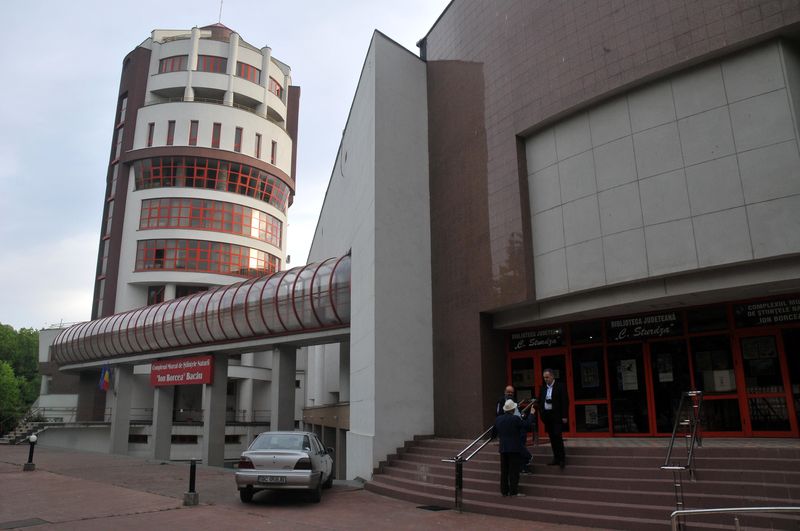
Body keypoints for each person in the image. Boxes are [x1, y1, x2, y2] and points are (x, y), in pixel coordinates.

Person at [492, 399, 534, 496]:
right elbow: (527, 425)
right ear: (512, 409)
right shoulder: (515, 419)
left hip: (503, 448)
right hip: (514, 448)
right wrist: (531, 414)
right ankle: (513, 491)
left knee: (504, 471)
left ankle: (504, 491)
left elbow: (493, 434)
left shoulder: (498, 419)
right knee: (514, 471)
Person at [495, 385, 534, 474]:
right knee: (518, 448)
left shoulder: (514, 400)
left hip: (519, 427)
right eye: (508, 392)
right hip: (510, 430)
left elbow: (518, 412)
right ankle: (526, 460)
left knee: (520, 447)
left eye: (511, 392)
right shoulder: (501, 401)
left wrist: (522, 415)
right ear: (505, 392)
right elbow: (498, 414)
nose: (510, 394)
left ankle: (523, 465)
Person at [538, 368, 568, 468]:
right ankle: (556, 458)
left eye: (547, 377)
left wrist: (564, 415)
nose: (545, 379)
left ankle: (562, 459)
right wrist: (542, 414)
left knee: (557, 437)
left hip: (557, 416)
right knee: (552, 438)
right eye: (544, 378)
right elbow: (540, 401)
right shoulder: (543, 388)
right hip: (547, 416)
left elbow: (565, 401)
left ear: (552, 376)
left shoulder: (560, 386)